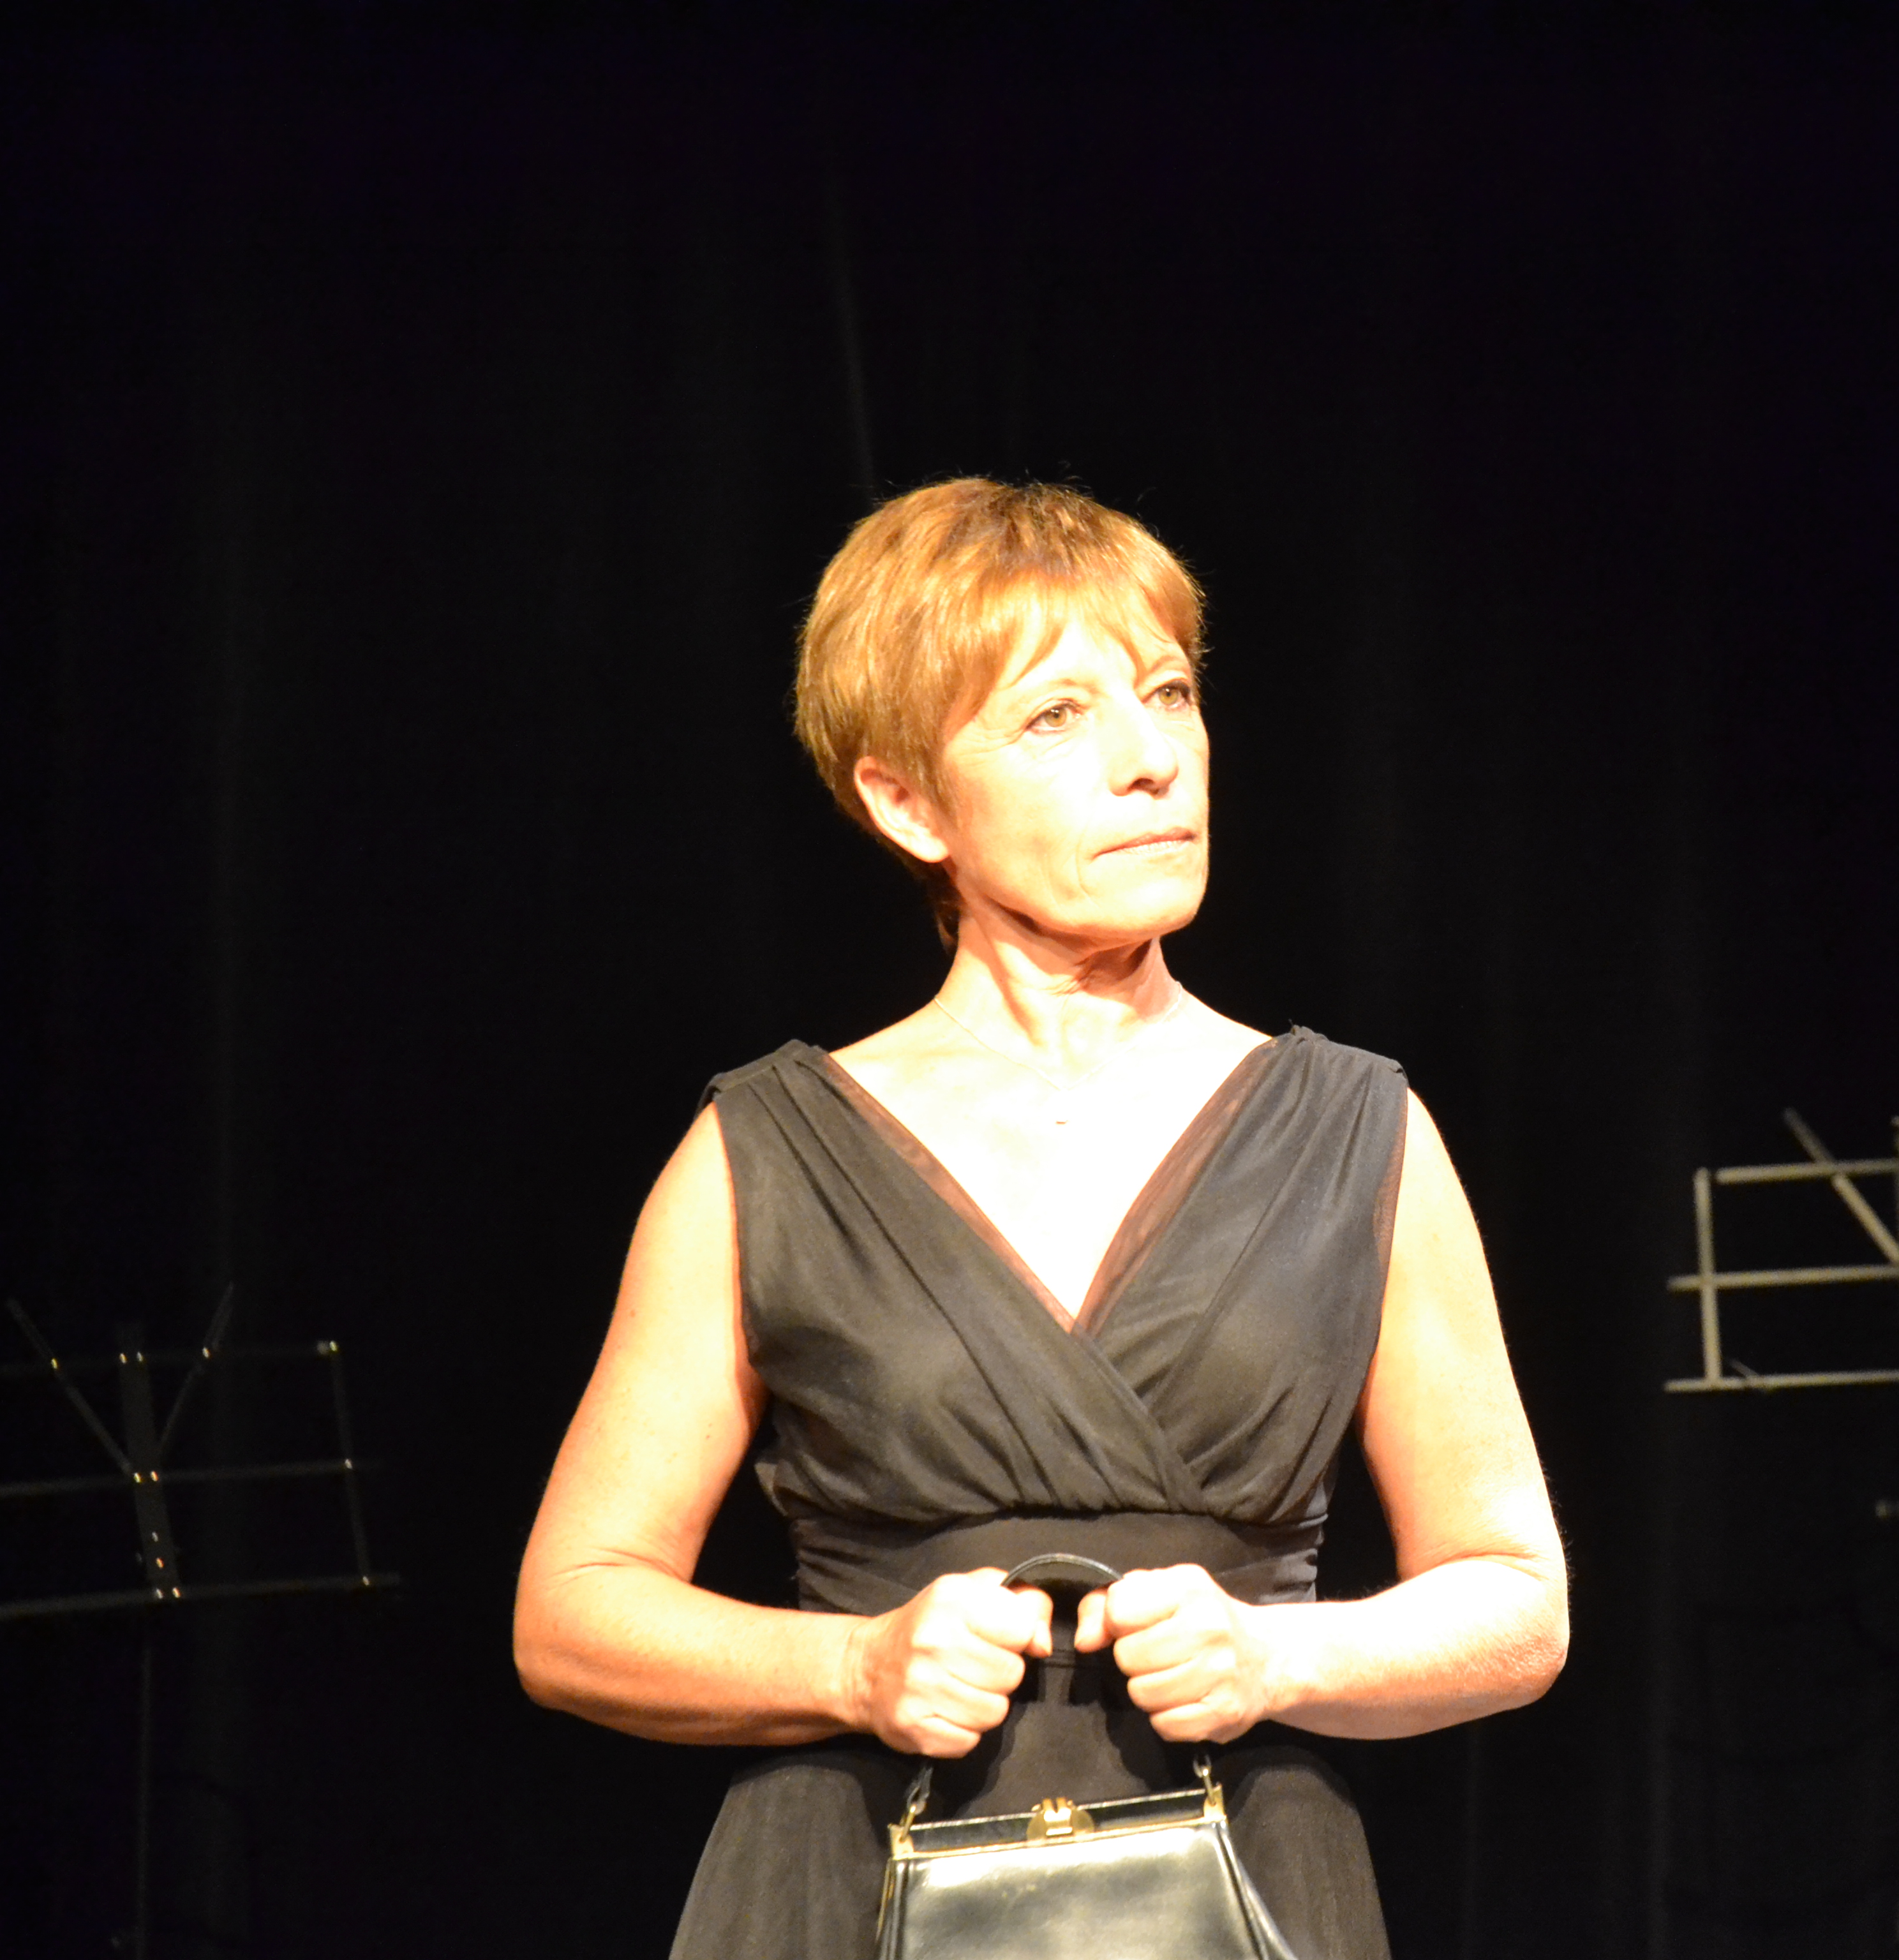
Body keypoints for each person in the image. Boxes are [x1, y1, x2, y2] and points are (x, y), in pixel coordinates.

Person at [512, 479, 1568, 1959]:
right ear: (906, 802)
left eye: (1169, 693)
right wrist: (854, 1668)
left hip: (1242, 1886)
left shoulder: (1360, 1132)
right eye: (1057, 717)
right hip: (850, 1891)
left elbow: (1517, 1601)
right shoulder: (763, 1154)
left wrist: (1278, 1654)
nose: (1153, 760)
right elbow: (572, 1613)